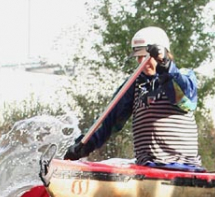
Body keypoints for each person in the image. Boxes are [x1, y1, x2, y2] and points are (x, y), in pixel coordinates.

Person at [65, 26, 203, 170]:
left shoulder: (184, 76)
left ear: (162, 53)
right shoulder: (135, 84)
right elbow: (109, 119)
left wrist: (165, 67)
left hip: (184, 165)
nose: (141, 61)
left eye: (146, 56)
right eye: (138, 56)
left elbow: (187, 102)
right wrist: (84, 145)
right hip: (148, 166)